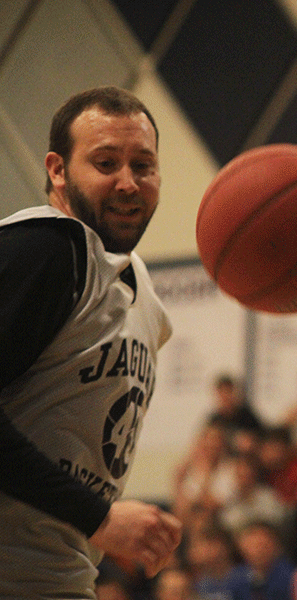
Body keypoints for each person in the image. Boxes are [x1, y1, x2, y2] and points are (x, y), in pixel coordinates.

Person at [0, 86, 182, 596]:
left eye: (143, 166)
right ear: (58, 170)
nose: (128, 183)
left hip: (58, 578)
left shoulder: (144, 296)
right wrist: (98, 516)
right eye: (106, 163)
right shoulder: (47, 248)